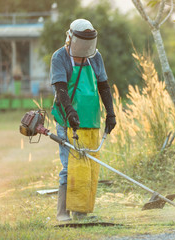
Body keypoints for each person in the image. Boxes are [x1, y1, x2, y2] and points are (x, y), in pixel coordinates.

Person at [50, 19, 116, 221]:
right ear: (70, 37)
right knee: (70, 165)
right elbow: (61, 88)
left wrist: (111, 113)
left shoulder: (95, 58)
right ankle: (63, 212)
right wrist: (70, 111)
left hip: (91, 120)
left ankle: (81, 212)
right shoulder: (60, 56)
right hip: (68, 119)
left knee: (88, 164)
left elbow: (104, 86)